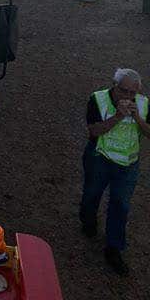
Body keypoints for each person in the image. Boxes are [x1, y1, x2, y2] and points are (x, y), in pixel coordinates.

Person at [79, 68, 150, 275]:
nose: (128, 96)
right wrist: (118, 116)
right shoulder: (98, 100)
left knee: (120, 204)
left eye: (132, 93)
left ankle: (114, 249)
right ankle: (88, 220)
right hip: (99, 158)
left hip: (128, 164)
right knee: (92, 194)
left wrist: (138, 118)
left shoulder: (144, 104)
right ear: (114, 85)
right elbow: (94, 131)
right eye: (124, 91)